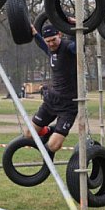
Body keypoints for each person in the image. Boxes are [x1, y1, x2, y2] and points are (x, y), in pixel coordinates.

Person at [25, 24, 78, 154]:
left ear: (59, 34)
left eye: (54, 39)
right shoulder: (49, 49)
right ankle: (49, 131)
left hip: (69, 105)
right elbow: (41, 43)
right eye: (48, 41)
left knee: (53, 146)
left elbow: (78, 46)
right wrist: (34, 33)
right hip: (52, 100)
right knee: (28, 134)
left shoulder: (68, 47)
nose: (51, 44)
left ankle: (57, 133)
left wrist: (76, 27)